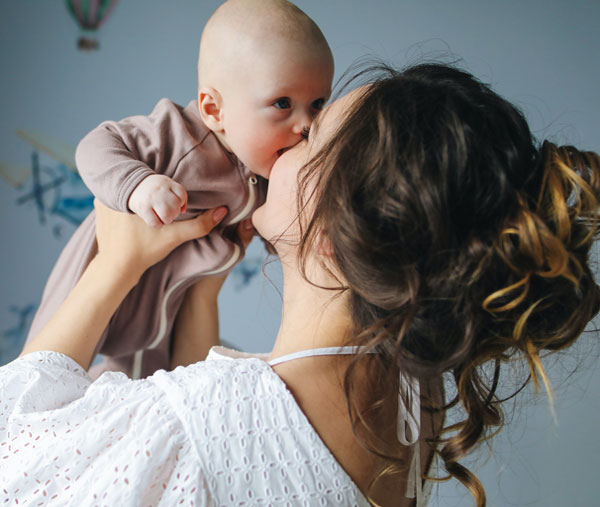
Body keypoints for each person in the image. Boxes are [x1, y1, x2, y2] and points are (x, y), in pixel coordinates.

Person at [2, 62, 599, 506]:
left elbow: (15, 457)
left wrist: (115, 265)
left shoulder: (201, 421)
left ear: (338, 233)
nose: (286, 139)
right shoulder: (414, 400)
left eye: (311, 137)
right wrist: (203, 290)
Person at [24, 0, 334, 379]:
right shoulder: (179, 136)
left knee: (145, 385)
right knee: (42, 373)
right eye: (282, 103)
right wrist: (138, 184)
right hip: (104, 268)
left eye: (318, 105)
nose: (305, 124)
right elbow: (96, 144)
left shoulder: (268, 167)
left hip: (167, 303)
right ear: (213, 110)